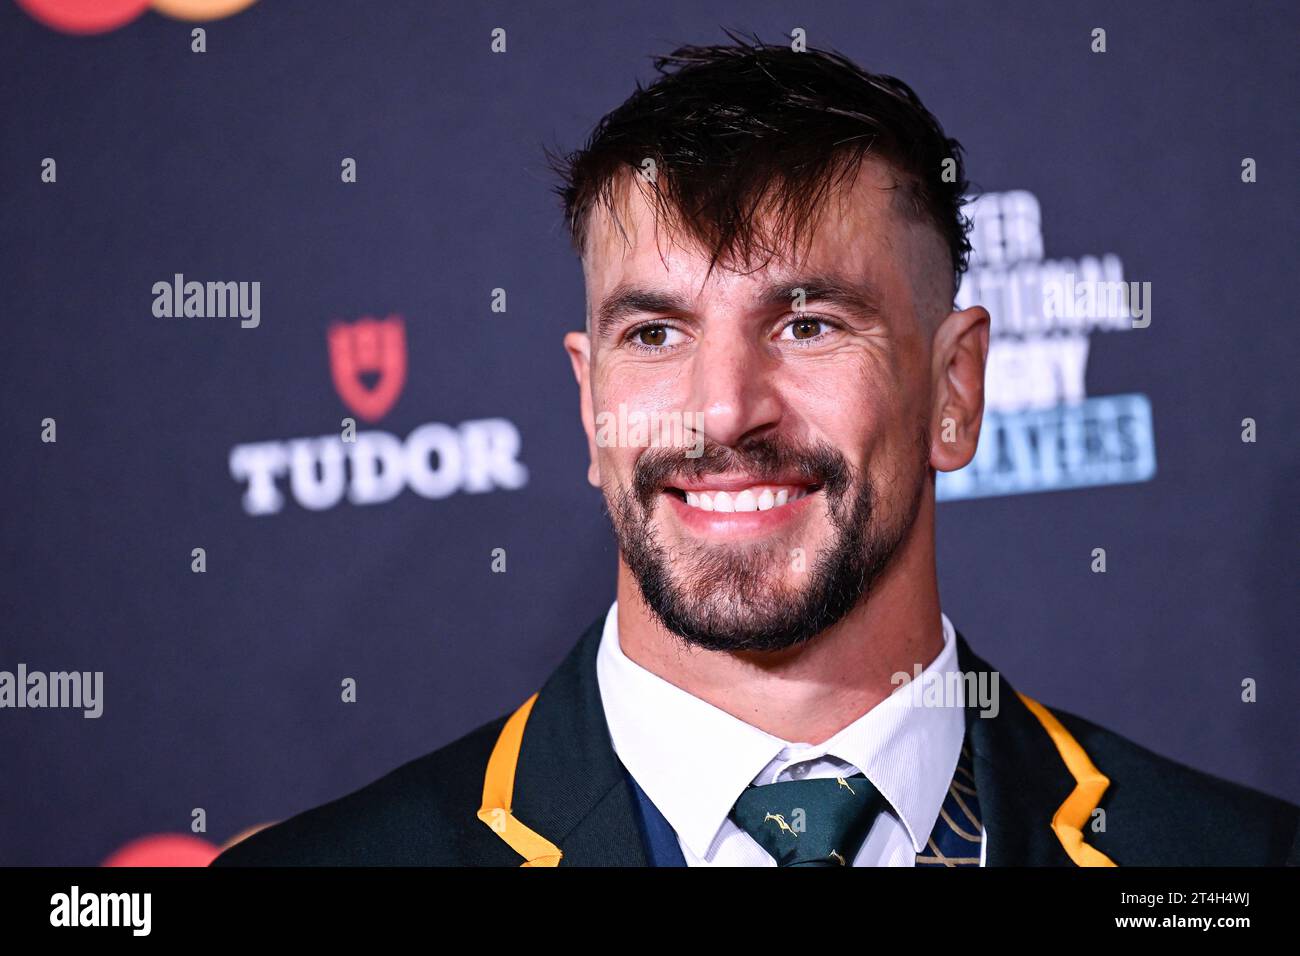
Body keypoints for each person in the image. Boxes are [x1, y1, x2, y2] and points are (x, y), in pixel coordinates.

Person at [212, 36, 1298, 867]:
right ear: (589, 404)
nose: (725, 413)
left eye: (808, 323)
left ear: (953, 389)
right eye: (655, 333)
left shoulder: (1223, 861)